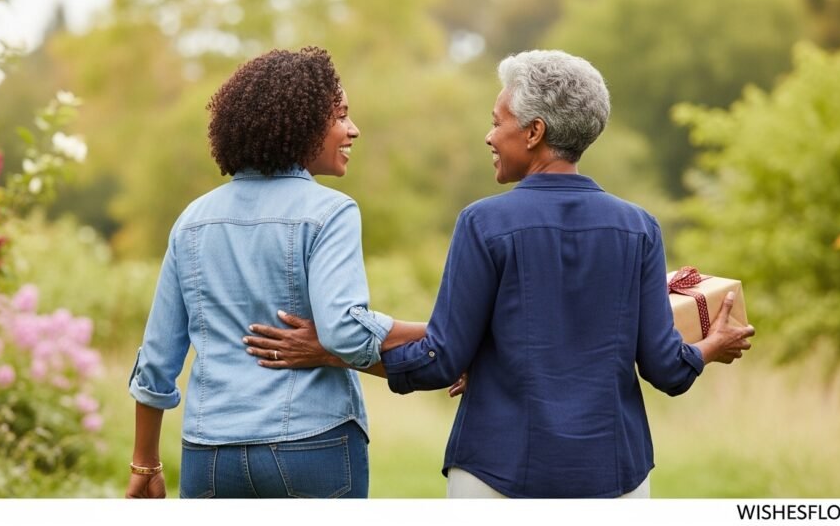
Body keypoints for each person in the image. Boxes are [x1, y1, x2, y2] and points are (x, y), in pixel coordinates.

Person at [243, 50, 756, 498]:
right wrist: (713, 346)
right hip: (615, 476)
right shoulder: (639, 228)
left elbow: (442, 359)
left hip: (496, 474)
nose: (489, 136)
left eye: (497, 122)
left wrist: (334, 351)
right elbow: (667, 369)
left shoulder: (484, 223)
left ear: (534, 132)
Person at [125, 47, 425, 499]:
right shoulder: (331, 212)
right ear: (303, 124)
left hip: (211, 454)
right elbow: (344, 332)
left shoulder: (192, 221)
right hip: (312, 442)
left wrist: (145, 462)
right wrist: (435, 331)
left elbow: (157, 358)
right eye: (341, 116)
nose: (353, 129)